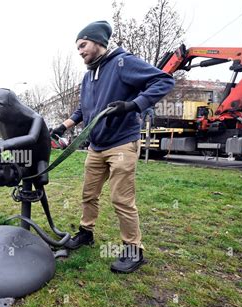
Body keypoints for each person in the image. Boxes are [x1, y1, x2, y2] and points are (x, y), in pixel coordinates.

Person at [50, 20, 175, 273]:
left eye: (83, 45)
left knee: (121, 199)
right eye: (78, 47)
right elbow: (83, 109)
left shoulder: (122, 63)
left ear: (98, 42)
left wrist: (133, 105)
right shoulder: (88, 76)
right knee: (88, 194)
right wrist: (64, 126)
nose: (80, 51)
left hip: (121, 144)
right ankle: (86, 234)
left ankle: (133, 250)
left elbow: (164, 81)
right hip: (96, 147)